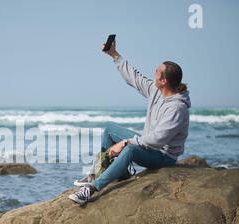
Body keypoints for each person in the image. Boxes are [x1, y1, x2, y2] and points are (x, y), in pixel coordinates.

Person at [69, 39, 191, 205]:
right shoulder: (157, 91)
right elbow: (134, 77)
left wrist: (126, 142)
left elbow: (158, 140)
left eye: (157, 72)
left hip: (163, 156)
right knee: (110, 130)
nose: (153, 72)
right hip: (149, 147)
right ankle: (107, 172)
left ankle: (91, 189)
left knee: (130, 150)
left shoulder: (177, 108)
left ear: (163, 81)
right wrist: (114, 54)